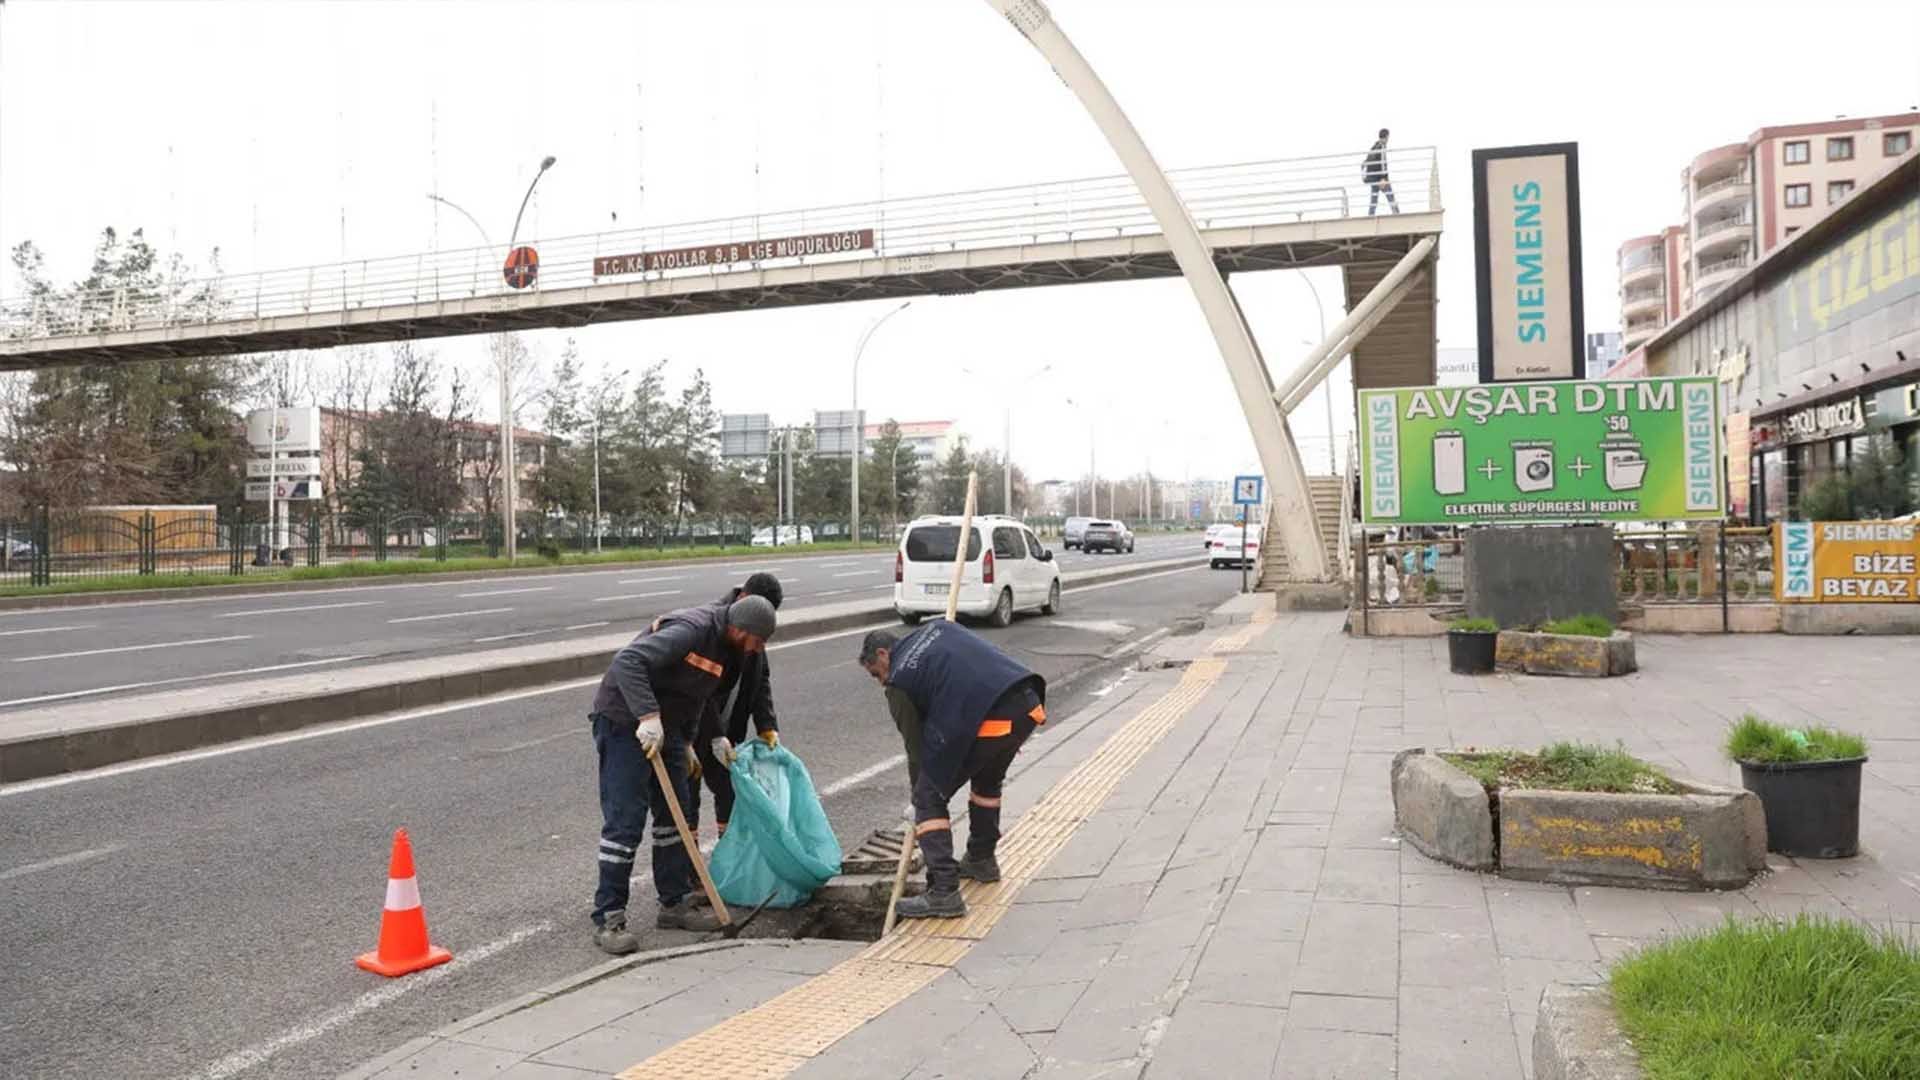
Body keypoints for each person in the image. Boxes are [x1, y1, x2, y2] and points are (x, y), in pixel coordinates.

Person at [586, 593, 778, 954]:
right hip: (624, 720)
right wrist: (646, 716)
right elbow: (629, 661)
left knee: (675, 816)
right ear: (740, 629)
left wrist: (710, 736)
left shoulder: (728, 649)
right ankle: (609, 917)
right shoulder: (691, 630)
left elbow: (698, 694)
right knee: (625, 823)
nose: (757, 649)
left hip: (670, 727)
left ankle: (674, 903)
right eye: (757, 640)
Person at [858, 622, 1046, 919]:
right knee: (986, 781)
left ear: (883, 655)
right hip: (1025, 702)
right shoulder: (937, 629)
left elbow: (916, 748)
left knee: (929, 796)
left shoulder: (899, 680)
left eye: (876, 674)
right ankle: (981, 860)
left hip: (992, 716)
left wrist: (919, 799)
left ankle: (944, 892)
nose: (881, 681)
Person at [687, 572, 784, 842]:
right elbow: (698, 690)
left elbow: (760, 677)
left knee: (730, 791)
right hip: (694, 728)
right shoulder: (713, 627)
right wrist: (714, 734)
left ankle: (728, 858)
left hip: (728, 729)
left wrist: (767, 725)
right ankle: (687, 866)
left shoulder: (754, 625)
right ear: (744, 599)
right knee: (686, 797)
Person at [1363, 128, 1399, 215]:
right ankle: (1397, 214)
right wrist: (1383, 178)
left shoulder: (1374, 147)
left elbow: (1366, 162)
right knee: (1390, 195)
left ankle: (1370, 216)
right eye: (1388, 137)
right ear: (1386, 136)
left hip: (1373, 177)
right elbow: (1383, 163)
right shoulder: (1381, 146)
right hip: (1379, 177)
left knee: (1374, 199)